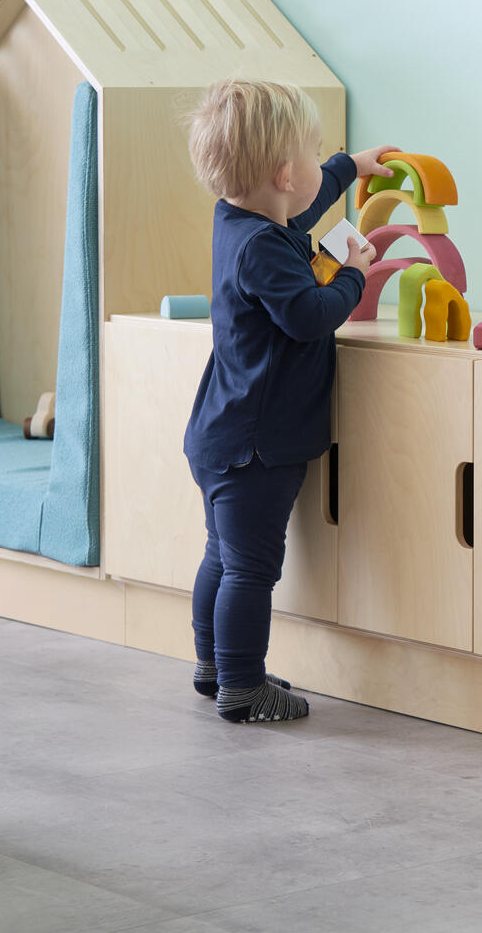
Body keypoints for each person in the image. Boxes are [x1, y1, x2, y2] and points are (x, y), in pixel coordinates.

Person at [181, 78, 396, 722]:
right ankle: (243, 685)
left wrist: (349, 168)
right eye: (314, 153)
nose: (319, 164)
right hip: (257, 444)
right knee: (251, 569)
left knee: (222, 557)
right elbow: (308, 315)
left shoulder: (240, 221)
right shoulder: (265, 248)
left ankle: (216, 665)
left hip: (222, 433)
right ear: (282, 173)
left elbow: (301, 209)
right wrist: (354, 272)